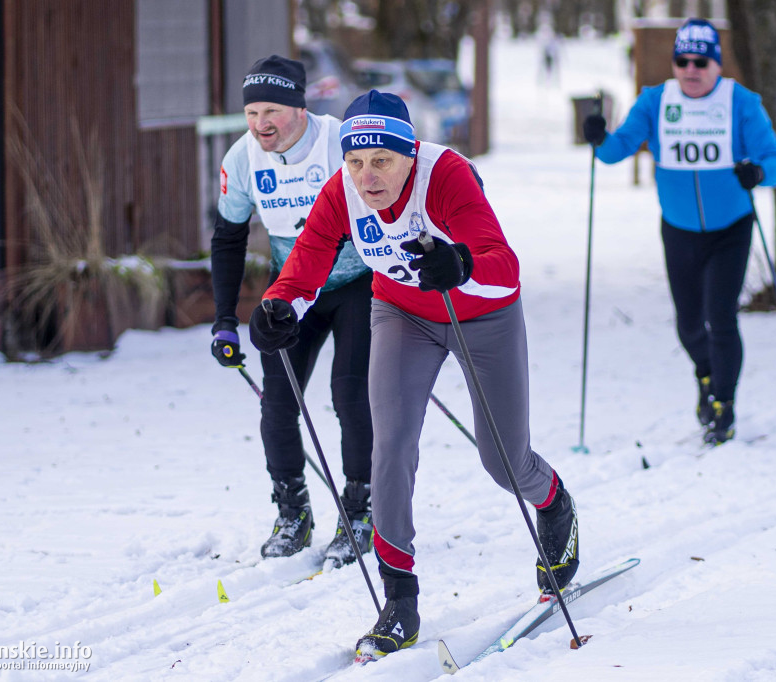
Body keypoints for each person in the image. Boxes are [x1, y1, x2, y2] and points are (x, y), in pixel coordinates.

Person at [247, 90, 580, 659]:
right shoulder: (343, 194)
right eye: (354, 161)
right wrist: (279, 307)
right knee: (390, 445)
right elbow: (304, 269)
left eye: (382, 161)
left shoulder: (445, 176)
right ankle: (399, 597)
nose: (366, 176)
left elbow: (503, 265)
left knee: (503, 459)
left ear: (409, 154)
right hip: (402, 312)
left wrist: (463, 264)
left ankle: (553, 503)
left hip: (483, 313)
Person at [582, 18, 776, 445]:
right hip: (678, 227)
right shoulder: (656, 101)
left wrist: (758, 171)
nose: (691, 69)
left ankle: (724, 404)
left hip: (730, 227)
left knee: (721, 316)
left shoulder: (741, 102)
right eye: (682, 61)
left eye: (701, 61)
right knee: (689, 324)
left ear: (716, 64)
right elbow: (616, 151)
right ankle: (706, 375)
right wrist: (599, 138)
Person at [209, 55, 375, 569]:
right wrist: (223, 319)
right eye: (253, 111)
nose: (261, 124)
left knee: (348, 394)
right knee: (277, 402)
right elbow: (229, 239)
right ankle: (292, 511)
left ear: (300, 109)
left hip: (358, 283)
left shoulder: (340, 143)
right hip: (294, 291)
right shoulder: (242, 159)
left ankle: (362, 509)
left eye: (272, 110)